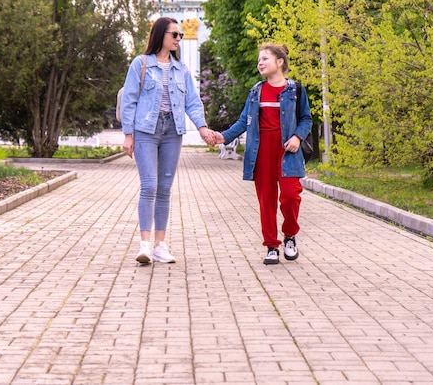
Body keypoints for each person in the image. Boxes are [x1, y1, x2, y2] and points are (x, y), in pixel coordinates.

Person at [120, 17, 215, 264]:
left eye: (181, 35)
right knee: (149, 185)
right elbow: (129, 100)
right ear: (161, 34)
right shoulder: (140, 64)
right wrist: (128, 135)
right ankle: (144, 245)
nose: (178, 39)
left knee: (164, 188)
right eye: (174, 34)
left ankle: (160, 245)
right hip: (145, 131)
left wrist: (202, 128)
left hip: (173, 131)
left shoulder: (181, 70)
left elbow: (192, 102)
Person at [213, 43, 312, 265]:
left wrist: (297, 136)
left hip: (288, 151)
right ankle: (271, 246)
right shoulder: (256, 91)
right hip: (261, 152)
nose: (260, 63)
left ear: (280, 62)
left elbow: (306, 118)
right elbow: (243, 121)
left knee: (290, 196)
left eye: (265, 58)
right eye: (259, 59)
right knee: (266, 201)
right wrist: (223, 137)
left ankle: (290, 234)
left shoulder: (295, 90)